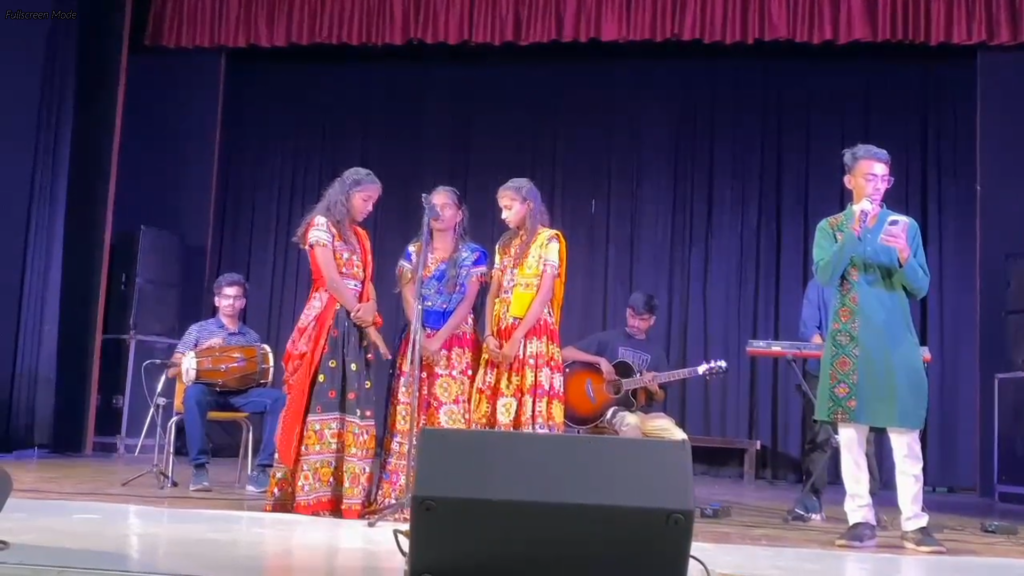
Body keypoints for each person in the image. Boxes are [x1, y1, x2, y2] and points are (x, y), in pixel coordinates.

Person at [812, 144, 944, 553]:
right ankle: (860, 520)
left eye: (884, 179)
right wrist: (854, 233)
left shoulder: (905, 225)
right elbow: (825, 275)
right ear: (849, 180)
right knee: (852, 438)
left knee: (906, 438)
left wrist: (903, 253)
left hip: (896, 343)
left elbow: (920, 287)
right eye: (870, 178)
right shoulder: (831, 227)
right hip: (849, 343)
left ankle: (915, 523)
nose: (878, 186)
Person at [266, 167, 392, 519]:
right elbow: (331, 280)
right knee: (321, 399)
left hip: (354, 325)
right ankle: (313, 495)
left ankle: (346, 497)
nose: (369, 207)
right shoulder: (321, 226)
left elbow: (366, 281)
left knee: (354, 406)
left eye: (374, 202)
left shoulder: (360, 236)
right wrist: (360, 313)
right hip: (329, 321)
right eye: (365, 199)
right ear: (347, 194)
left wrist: (371, 309)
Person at [369, 186, 488, 519]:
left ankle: (450, 495)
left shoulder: (473, 255)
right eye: (433, 206)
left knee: (451, 415)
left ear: (459, 214)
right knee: (411, 415)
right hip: (418, 341)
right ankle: (403, 493)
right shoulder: (415, 252)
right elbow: (408, 297)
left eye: (446, 206)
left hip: (456, 344)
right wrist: (422, 336)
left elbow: (468, 302)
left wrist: (440, 340)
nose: (439, 212)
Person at [167, 272, 285, 493]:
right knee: (193, 393)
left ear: (243, 303)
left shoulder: (251, 337)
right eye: (226, 297)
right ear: (217, 300)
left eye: (236, 298)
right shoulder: (199, 330)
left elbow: (256, 376)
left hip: (240, 395)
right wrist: (202, 350)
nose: (231, 302)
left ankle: (261, 470)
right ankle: (199, 469)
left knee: (279, 398)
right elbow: (172, 370)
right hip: (208, 393)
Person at [469, 178, 566, 432]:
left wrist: (516, 339)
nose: (503, 215)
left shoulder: (549, 241)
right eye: (502, 208)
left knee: (528, 399)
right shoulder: (504, 243)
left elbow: (544, 294)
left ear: (529, 205)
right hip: (501, 331)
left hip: (532, 332)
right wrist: (488, 334)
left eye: (509, 208)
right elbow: (493, 293)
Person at [791, 277, 881, 522]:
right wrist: (834, 357)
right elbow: (809, 328)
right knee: (819, 436)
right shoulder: (819, 283)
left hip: (861, 372)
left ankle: (866, 506)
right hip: (822, 371)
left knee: (863, 440)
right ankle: (811, 501)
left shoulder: (870, 284)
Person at [561, 292, 686, 440]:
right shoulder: (610, 338)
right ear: (627, 312)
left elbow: (660, 397)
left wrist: (654, 390)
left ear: (652, 320)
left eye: (642, 320)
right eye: (632, 317)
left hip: (637, 413)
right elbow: (564, 353)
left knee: (677, 436)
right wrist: (600, 360)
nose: (635, 324)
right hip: (607, 412)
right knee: (630, 423)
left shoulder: (657, 353)